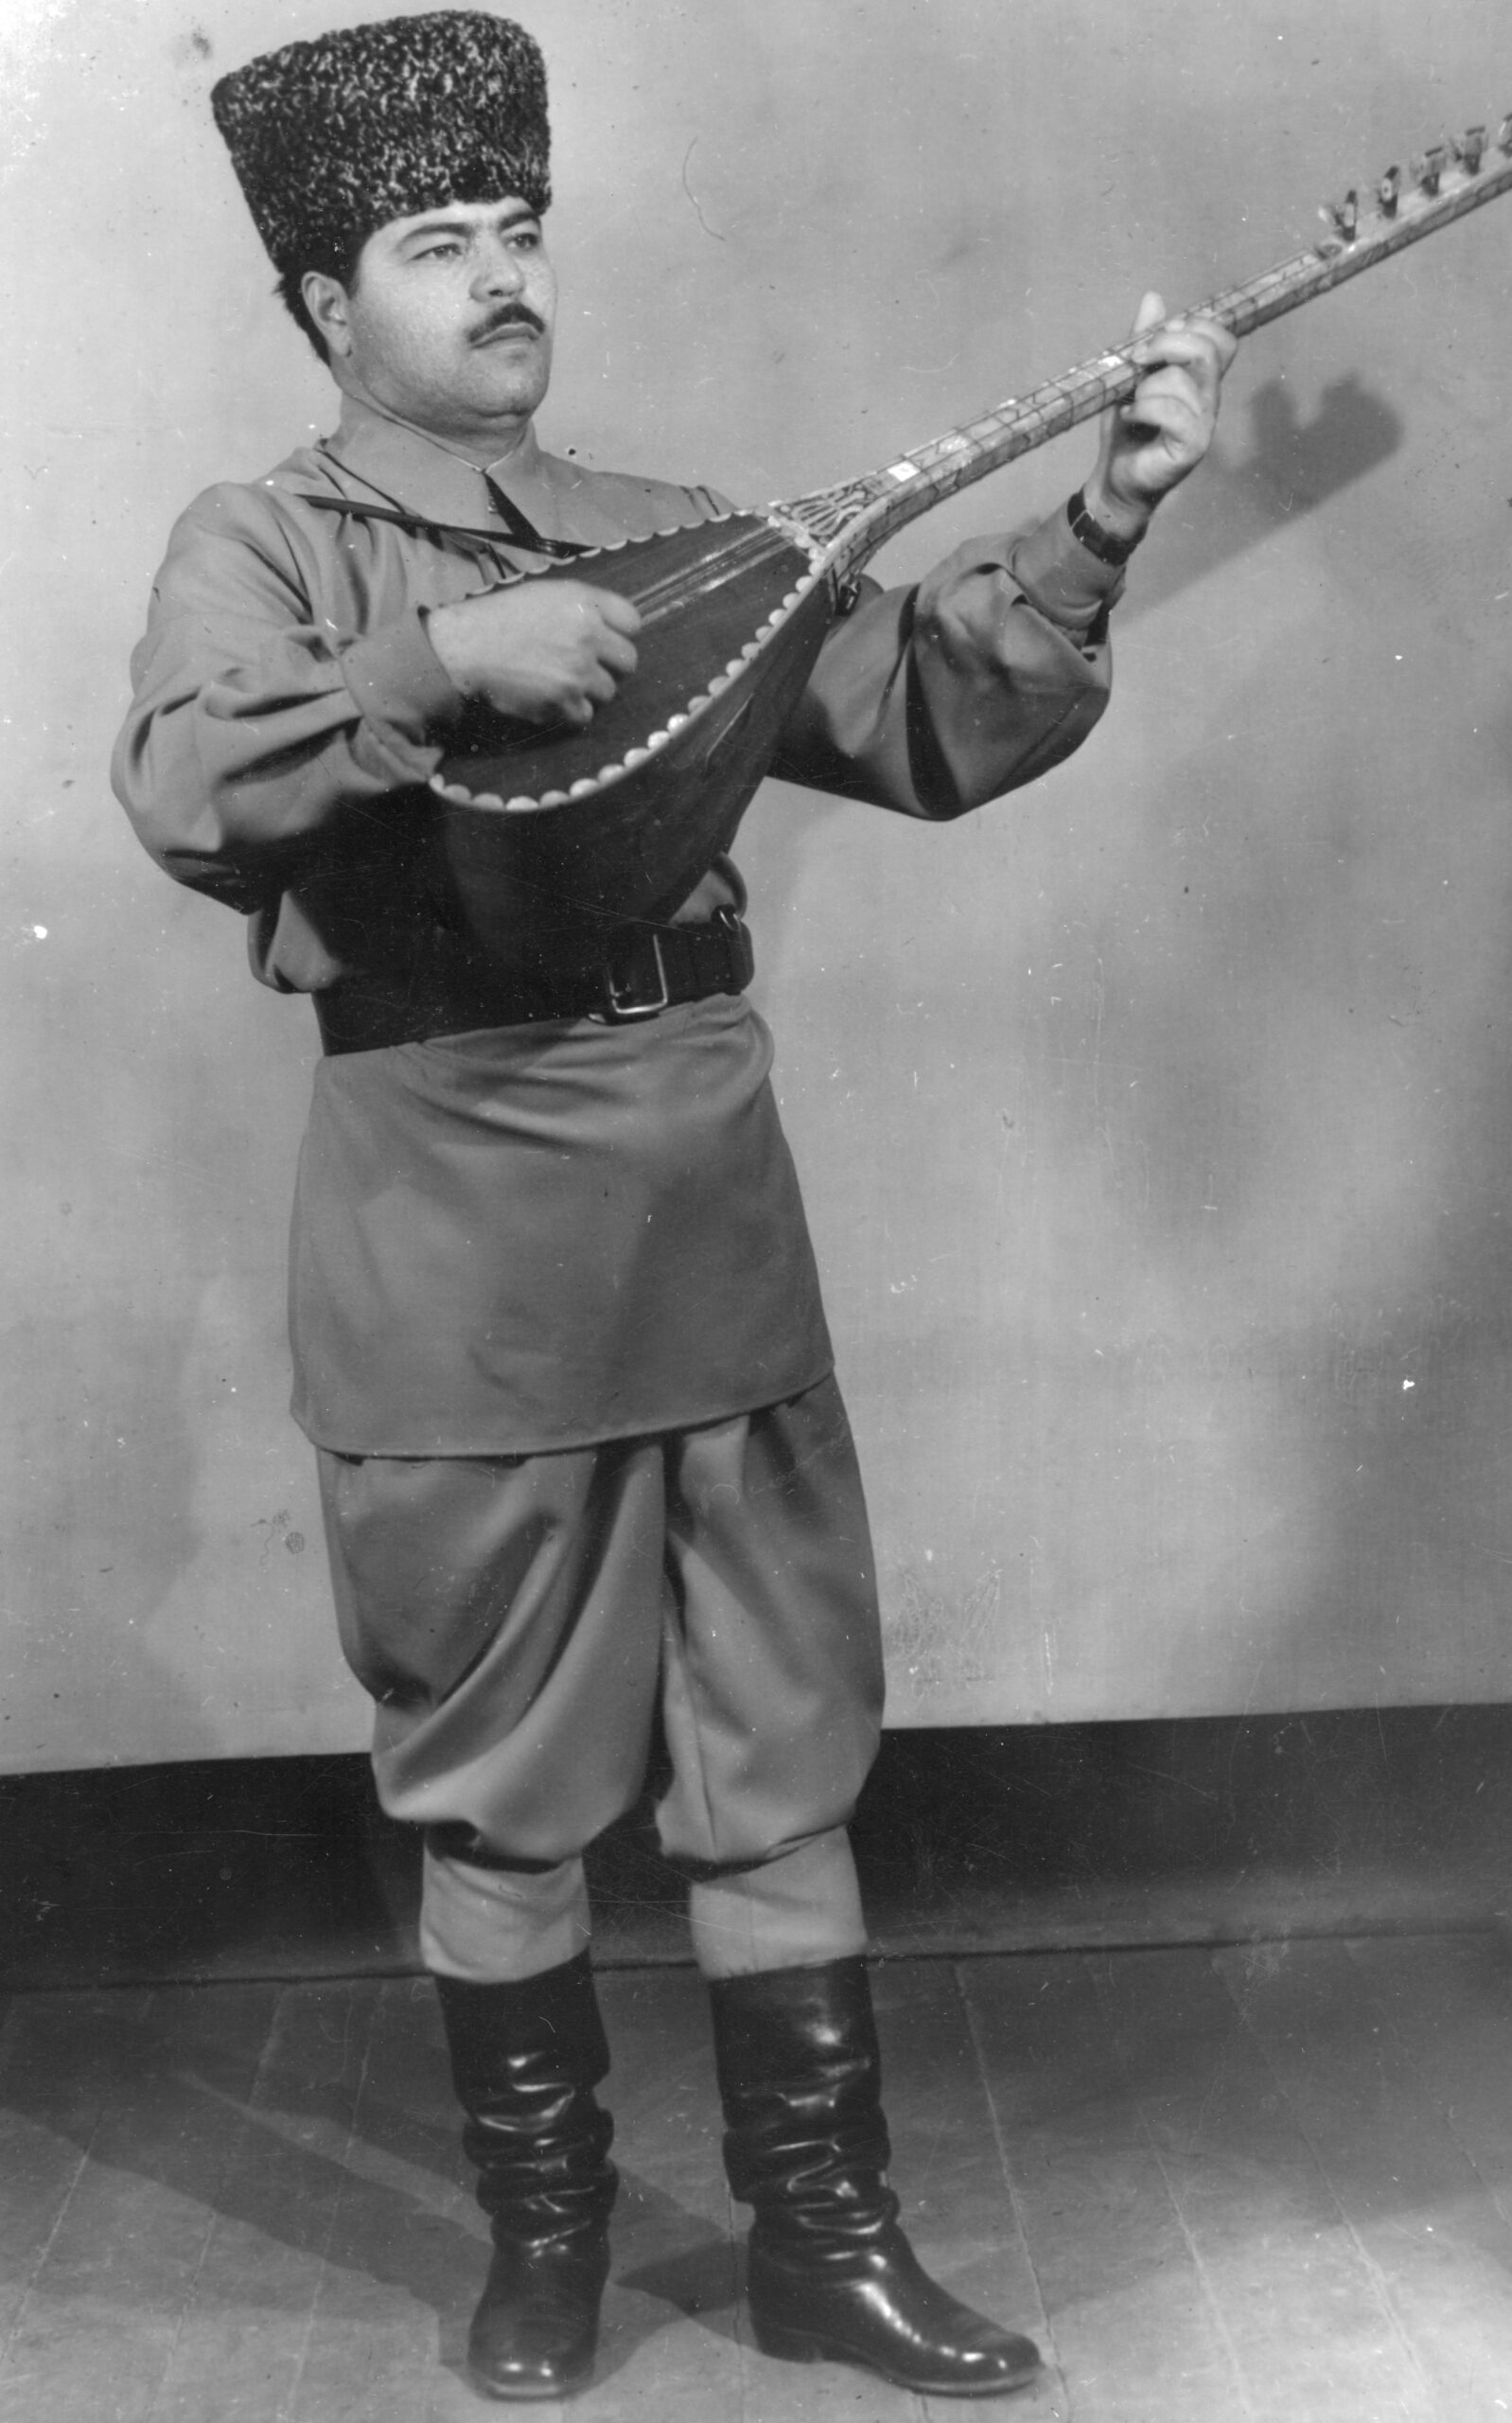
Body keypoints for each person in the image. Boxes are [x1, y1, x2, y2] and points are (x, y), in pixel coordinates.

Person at [113, 10, 1234, 2403]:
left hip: (705, 1189)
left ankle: (832, 2244)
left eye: (519, 227)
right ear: (322, 302)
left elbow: (922, 711)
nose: (503, 274)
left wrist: (1109, 511)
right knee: (500, 1776)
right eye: (438, 243)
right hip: (447, 1223)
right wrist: (440, 655)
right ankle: (550, 2249)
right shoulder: (265, 539)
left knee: (776, 1741)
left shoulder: (666, 519)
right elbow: (189, 782)